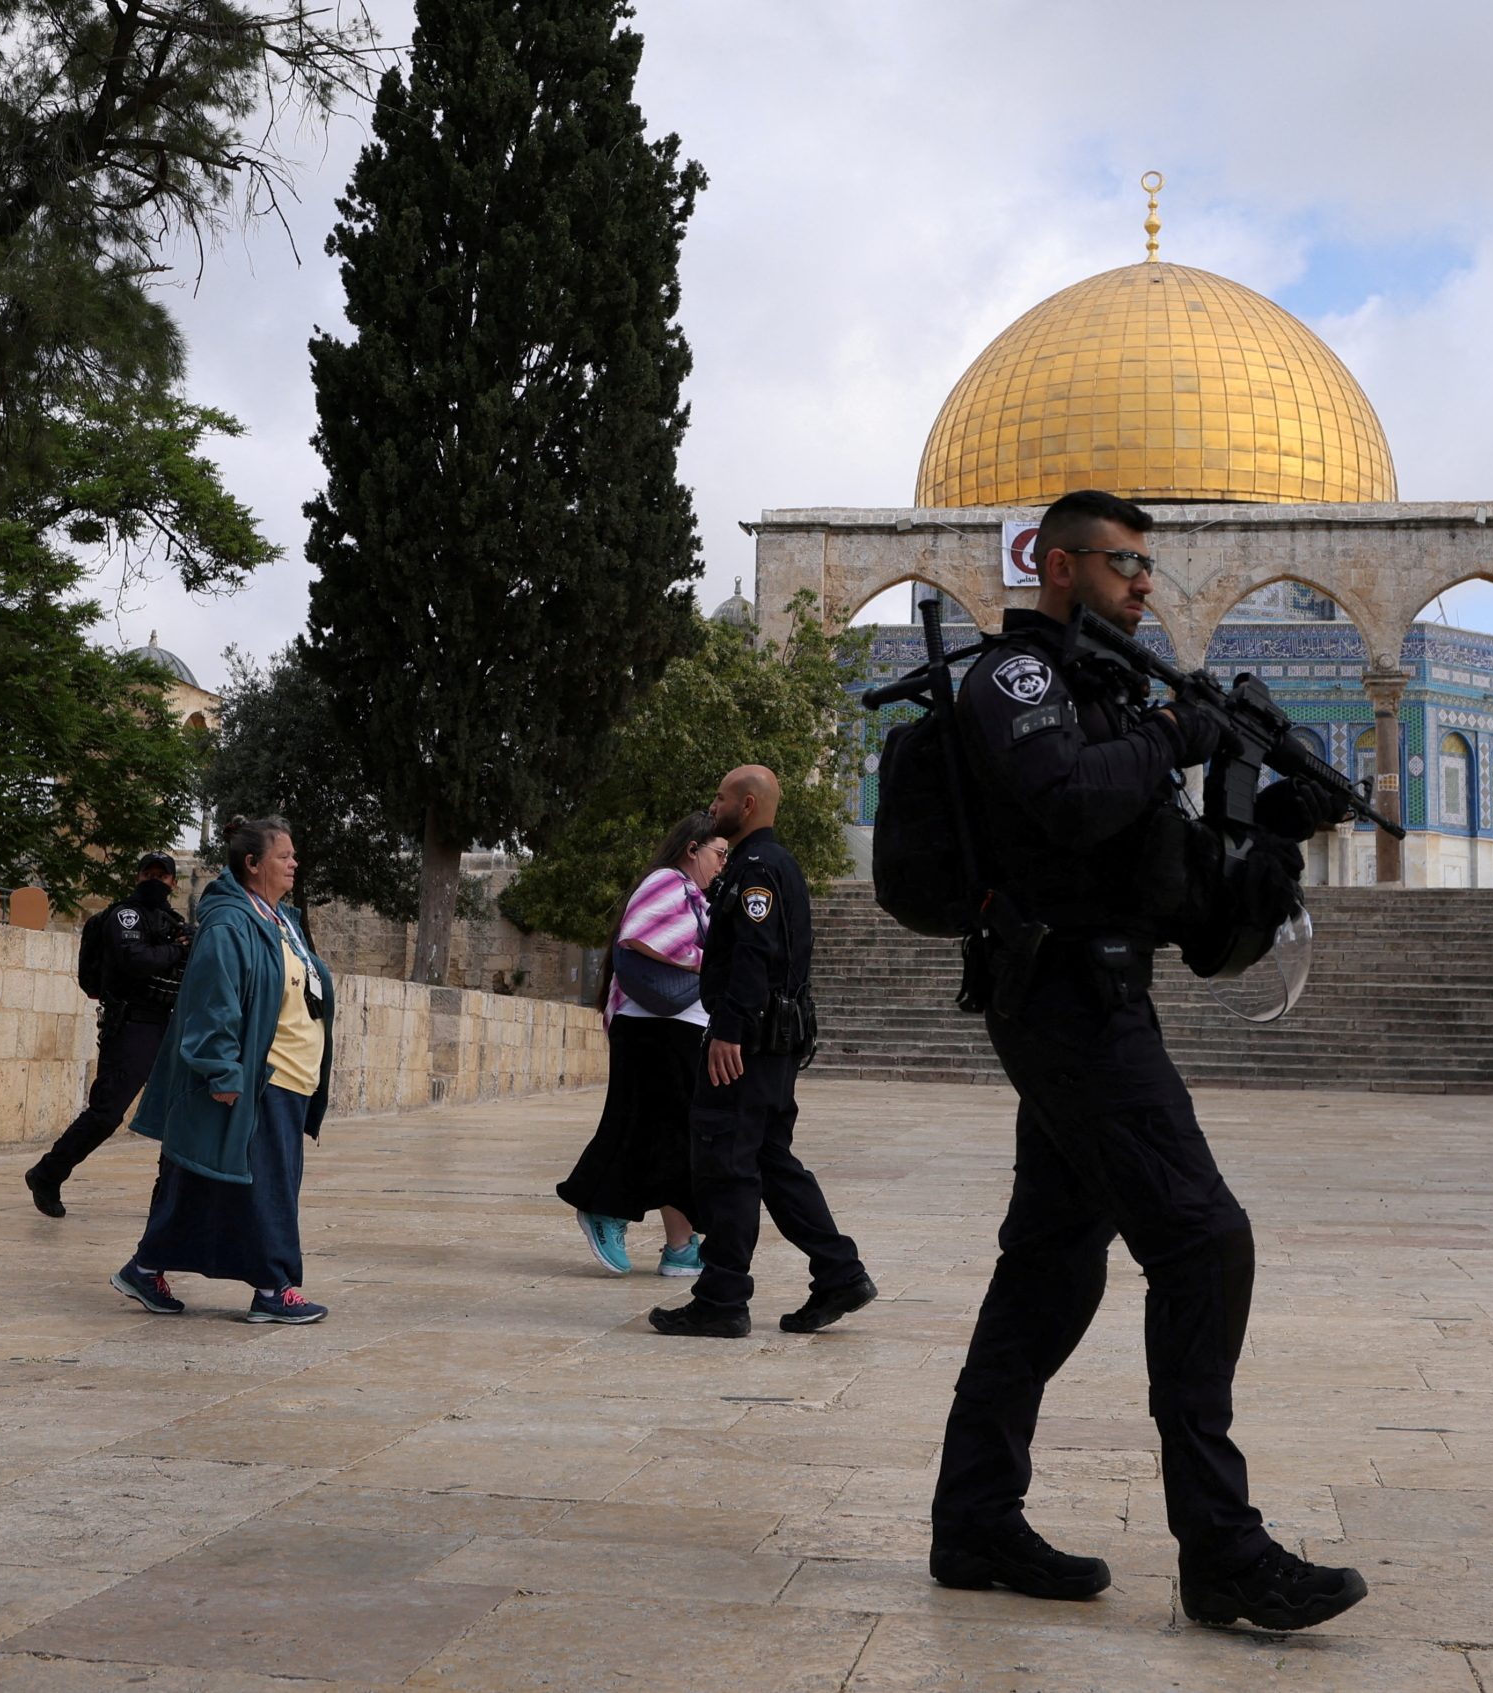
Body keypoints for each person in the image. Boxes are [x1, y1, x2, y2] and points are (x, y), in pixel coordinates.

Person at [927, 489, 1367, 1631]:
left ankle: (973, 1518)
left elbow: (1181, 899)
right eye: (1121, 563)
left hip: (1108, 992)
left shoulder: (1118, 693)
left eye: (1146, 567)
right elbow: (1069, 802)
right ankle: (1222, 1551)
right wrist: (1178, 734)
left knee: (1051, 1267)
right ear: (1058, 565)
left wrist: (1272, 825)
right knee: (1203, 1240)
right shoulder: (1017, 681)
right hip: (1063, 1001)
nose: (1141, 584)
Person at [647, 765, 875, 1340]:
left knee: (726, 1164)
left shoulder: (755, 869)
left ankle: (722, 1298)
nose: (713, 803)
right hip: (771, 1044)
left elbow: (754, 952)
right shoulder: (775, 865)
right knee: (772, 1164)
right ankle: (840, 1273)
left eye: (721, 796)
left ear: (746, 805)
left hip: (747, 1045)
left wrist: (728, 1029)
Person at [111, 816, 336, 1324]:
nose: (295, 863)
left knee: (209, 1179)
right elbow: (215, 1003)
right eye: (285, 856)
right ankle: (274, 1287)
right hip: (263, 1077)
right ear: (253, 864)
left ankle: (145, 1268)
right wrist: (223, 1071)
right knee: (268, 1184)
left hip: (291, 1078)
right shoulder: (230, 923)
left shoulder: (282, 920)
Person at [558, 811, 725, 1276]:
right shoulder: (667, 882)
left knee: (674, 1137)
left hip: (678, 1028)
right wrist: (704, 963)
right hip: (654, 1027)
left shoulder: (695, 897)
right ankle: (602, 1207)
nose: (722, 864)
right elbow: (642, 936)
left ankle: (680, 1245)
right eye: (718, 853)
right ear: (692, 849)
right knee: (640, 1129)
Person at [26, 851, 192, 1218]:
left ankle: (171, 1198)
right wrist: (174, 949)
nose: (154, 880)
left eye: (161, 876)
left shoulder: (172, 921)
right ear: (137, 877)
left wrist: (183, 944)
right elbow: (135, 961)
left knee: (182, 1113)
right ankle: (48, 1172)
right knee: (107, 1112)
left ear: (173, 883)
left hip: (168, 1024)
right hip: (133, 1025)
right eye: (148, 872)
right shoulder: (125, 915)